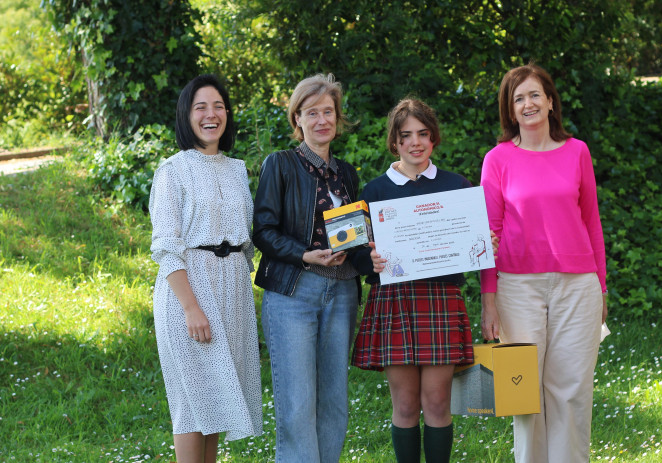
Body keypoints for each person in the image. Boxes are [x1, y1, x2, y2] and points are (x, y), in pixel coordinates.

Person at [480, 63, 608, 463]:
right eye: (518, 98)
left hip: (578, 286)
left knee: (571, 390)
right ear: (510, 110)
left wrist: (601, 287)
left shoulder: (577, 151)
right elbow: (488, 235)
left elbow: (591, 221)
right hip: (517, 288)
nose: (528, 103)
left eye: (535, 94)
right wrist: (488, 298)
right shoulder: (497, 160)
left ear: (550, 102)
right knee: (524, 395)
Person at [350, 98, 475, 463]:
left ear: (433, 138)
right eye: (406, 136)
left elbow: (471, 244)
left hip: (440, 298)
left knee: (437, 403)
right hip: (394, 301)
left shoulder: (457, 186)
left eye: (423, 134)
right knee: (405, 406)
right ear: (395, 142)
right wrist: (368, 260)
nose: (415, 142)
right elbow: (356, 254)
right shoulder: (373, 192)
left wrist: (481, 243)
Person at [149, 74, 263, 463]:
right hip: (187, 289)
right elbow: (167, 246)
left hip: (231, 290)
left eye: (218, 106)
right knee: (191, 406)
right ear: (187, 115)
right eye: (201, 107)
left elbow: (248, 237)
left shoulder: (237, 169)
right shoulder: (173, 170)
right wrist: (191, 307)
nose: (211, 115)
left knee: (216, 407)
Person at [252, 73, 361, 463]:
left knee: (334, 404)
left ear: (337, 117)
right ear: (297, 118)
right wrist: (304, 254)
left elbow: (357, 234)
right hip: (295, 294)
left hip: (343, 293)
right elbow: (262, 231)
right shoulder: (280, 164)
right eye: (311, 112)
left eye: (328, 112)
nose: (321, 120)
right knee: (298, 408)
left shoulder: (347, 173)